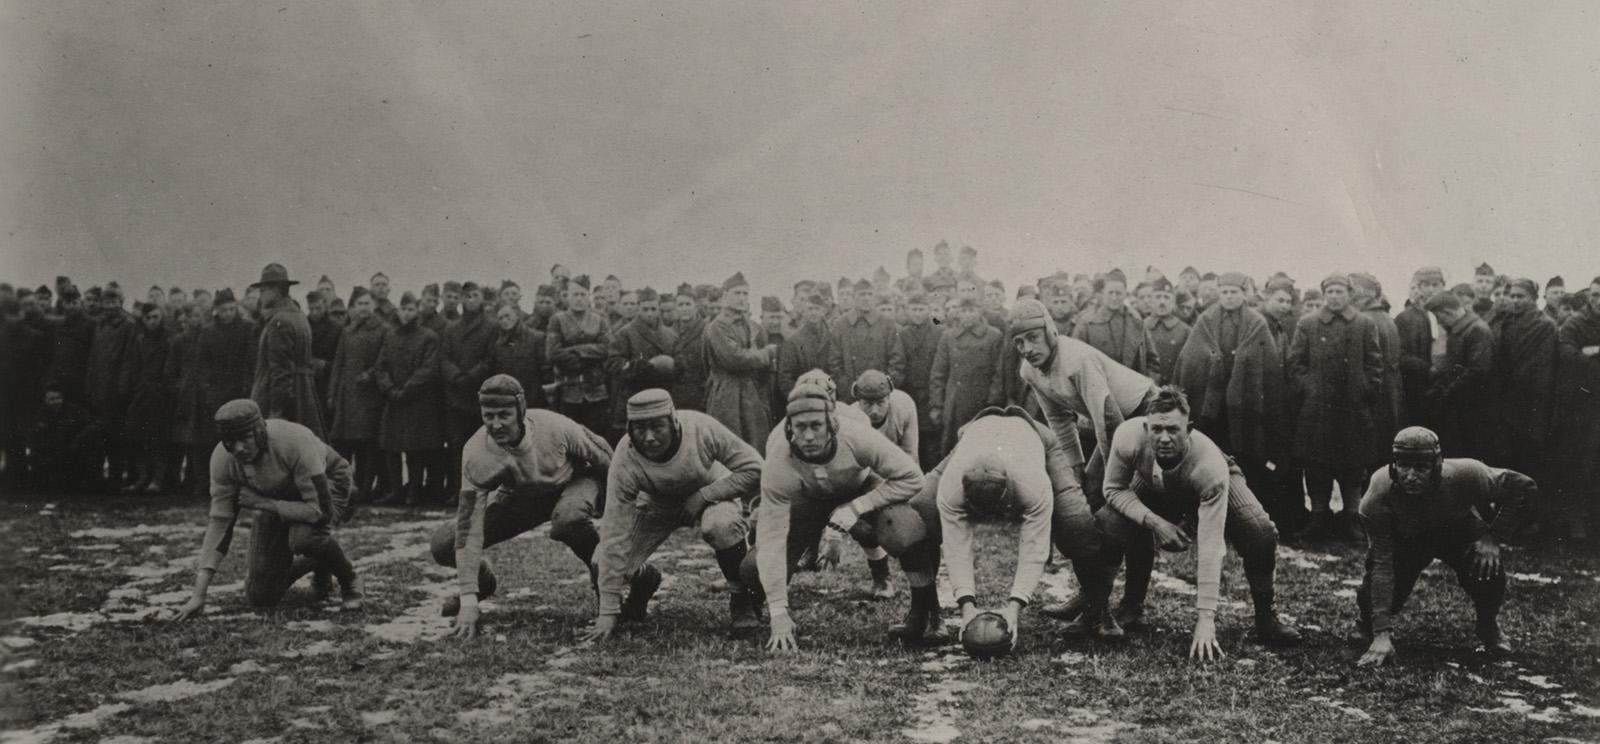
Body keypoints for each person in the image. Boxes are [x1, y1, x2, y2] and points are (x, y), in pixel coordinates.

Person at [1097, 387, 1301, 659]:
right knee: (1109, 520)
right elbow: (1113, 490)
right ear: (1146, 427)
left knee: (1259, 531)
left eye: (1173, 429)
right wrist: (1155, 523)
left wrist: (1206, 618)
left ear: (1189, 428)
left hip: (1207, 480)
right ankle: (1124, 605)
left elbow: (1210, 544)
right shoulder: (1128, 437)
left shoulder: (1209, 466)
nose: (1165, 438)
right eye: (1157, 429)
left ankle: (1266, 616)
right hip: (1154, 483)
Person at [746, 377, 939, 651]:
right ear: (789, 428)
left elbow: (912, 478)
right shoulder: (779, 454)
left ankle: (926, 611)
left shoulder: (856, 434)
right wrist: (778, 611)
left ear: (832, 423)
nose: (809, 436)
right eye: (801, 427)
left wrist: (858, 507)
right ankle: (751, 606)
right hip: (808, 498)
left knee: (903, 527)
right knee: (753, 568)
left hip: (858, 487)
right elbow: (772, 534)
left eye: (816, 426)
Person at [432, 375, 620, 637]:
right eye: (488, 416)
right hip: (521, 497)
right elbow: (468, 527)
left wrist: (616, 520)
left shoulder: (555, 427)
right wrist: (468, 599)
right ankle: (482, 583)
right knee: (444, 543)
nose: (496, 424)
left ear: (520, 411)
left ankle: (608, 585)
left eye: (504, 415)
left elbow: (606, 460)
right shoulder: (476, 451)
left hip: (572, 483)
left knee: (568, 520)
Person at [917, 406, 1122, 641]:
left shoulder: (1031, 482)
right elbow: (957, 548)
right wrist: (967, 606)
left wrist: (1014, 607)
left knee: (1076, 525)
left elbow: (1035, 547)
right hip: (975, 433)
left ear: (1008, 490)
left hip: (1035, 436)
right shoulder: (951, 487)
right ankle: (925, 612)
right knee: (922, 510)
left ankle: (1099, 610)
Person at [585, 390, 763, 641]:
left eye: (658, 427)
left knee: (721, 526)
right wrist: (608, 610)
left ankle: (742, 597)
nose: (648, 437)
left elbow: (755, 468)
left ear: (674, 423)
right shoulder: (625, 456)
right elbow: (615, 527)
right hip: (656, 503)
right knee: (600, 561)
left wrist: (705, 495)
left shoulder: (701, 428)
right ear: (629, 429)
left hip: (710, 493)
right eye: (639, 429)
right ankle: (645, 580)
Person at [1356, 427, 1534, 665]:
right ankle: (1367, 625)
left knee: (1488, 568)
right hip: (1408, 539)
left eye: (1421, 467)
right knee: (1375, 591)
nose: (1410, 475)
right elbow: (1382, 565)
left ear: (1437, 466)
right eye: (1403, 466)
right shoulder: (1378, 495)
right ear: (1393, 465)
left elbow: (1523, 486)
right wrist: (1380, 633)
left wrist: (1493, 537)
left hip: (1456, 529)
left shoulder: (1467, 474)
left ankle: (1488, 625)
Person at [173, 399, 361, 619]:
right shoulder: (223, 460)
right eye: (230, 442)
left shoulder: (294, 441)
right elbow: (220, 524)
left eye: (244, 439)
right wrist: (198, 595)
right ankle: (321, 559)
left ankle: (350, 579)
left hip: (326, 487)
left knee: (304, 539)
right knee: (260, 596)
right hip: (277, 496)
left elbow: (319, 511)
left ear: (260, 431)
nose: (238, 448)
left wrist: (263, 503)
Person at [1173, 271, 1289, 505]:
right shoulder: (1206, 320)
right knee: (1211, 454)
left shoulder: (1257, 323)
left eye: (1234, 292)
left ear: (1244, 294)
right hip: (1211, 407)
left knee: (1245, 456)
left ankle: (1244, 507)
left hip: (1244, 407)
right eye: (1224, 292)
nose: (1228, 297)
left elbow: (1269, 368)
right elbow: (1191, 358)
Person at [1287, 274, 1383, 541]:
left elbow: (1375, 364)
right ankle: (1319, 518)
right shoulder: (1308, 323)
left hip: (1353, 409)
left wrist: (1365, 389)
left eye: (1339, 291)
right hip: (1318, 410)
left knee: (1353, 468)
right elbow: (1295, 363)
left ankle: (1352, 519)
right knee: (1317, 467)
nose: (1334, 296)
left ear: (1349, 294)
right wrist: (1308, 388)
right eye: (1329, 291)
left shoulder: (1364, 324)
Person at [373, 292, 445, 505]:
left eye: (411, 309)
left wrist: (407, 390)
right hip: (394, 400)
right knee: (391, 447)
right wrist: (389, 389)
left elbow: (428, 370)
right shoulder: (390, 336)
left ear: (417, 311)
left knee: (415, 450)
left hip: (417, 402)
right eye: (403, 309)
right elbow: (380, 366)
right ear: (398, 310)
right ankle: (396, 491)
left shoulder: (429, 337)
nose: (406, 313)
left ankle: (413, 492)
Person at [1488, 278, 1557, 483]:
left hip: (1531, 402)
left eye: (1521, 297)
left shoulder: (1545, 326)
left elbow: (1541, 367)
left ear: (1534, 299)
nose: (1515, 301)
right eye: (1512, 296)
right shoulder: (1506, 321)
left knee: (1529, 454)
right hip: (1506, 399)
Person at [327, 287, 389, 503]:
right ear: (353, 307)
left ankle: (364, 489)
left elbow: (383, 360)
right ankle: (345, 488)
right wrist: (332, 393)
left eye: (367, 303)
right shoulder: (348, 331)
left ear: (373, 306)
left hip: (368, 397)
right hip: (347, 398)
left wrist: (369, 375)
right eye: (360, 304)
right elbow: (338, 363)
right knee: (344, 445)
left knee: (366, 446)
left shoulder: (382, 330)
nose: (364, 308)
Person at [249, 263, 326, 439]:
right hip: (303, 396)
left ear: (276, 290)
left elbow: (280, 372)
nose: (261, 294)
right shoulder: (298, 316)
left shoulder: (279, 321)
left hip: (286, 403)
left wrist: (277, 412)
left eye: (264, 289)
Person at [703, 272, 776, 451]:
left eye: (745, 294)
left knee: (756, 445)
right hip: (727, 395)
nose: (742, 298)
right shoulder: (717, 327)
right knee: (730, 446)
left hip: (752, 393)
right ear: (724, 296)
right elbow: (733, 358)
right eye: (737, 293)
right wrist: (765, 355)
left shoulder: (753, 326)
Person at [440, 282, 497, 502]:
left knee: (484, 446)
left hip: (479, 396)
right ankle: (459, 490)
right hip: (456, 397)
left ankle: (483, 491)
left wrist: (472, 377)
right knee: (458, 446)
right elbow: (444, 358)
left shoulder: (490, 328)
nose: (470, 300)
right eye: (467, 296)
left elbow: (490, 359)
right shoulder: (451, 328)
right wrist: (456, 376)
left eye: (475, 295)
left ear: (481, 299)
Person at [927, 296, 1003, 453]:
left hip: (982, 404)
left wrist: (992, 404)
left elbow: (999, 373)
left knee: (981, 450)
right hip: (955, 404)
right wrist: (937, 405)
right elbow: (938, 374)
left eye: (971, 310)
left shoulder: (994, 336)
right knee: (952, 450)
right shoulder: (948, 336)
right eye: (963, 311)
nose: (967, 315)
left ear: (980, 312)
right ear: (957, 313)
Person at [546, 276, 613, 437]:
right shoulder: (557, 320)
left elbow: (607, 349)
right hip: (568, 391)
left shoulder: (599, 320)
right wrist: (590, 356)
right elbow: (552, 353)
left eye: (583, 295)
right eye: (575, 294)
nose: (579, 299)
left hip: (596, 391)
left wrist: (576, 350)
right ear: (567, 296)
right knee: (569, 439)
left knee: (596, 438)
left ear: (588, 296)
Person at [606, 286, 679, 431]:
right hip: (634, 394)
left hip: (662, 394)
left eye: (653, 309)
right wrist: (634, 367)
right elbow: (612, 363)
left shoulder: (670, 335)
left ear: (659, 309)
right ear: (638, 309)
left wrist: (677, 366)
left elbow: (678, 361)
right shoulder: (625, 333)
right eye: (645, 309)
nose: (650, 313)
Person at [829, 279, 906, 403]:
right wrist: (848, 388)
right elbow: (834, 363)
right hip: (851, 395)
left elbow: (897, 360)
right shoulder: (841, 324)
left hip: (881, 396)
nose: (866, 298)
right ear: (854, 297)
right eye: (862, 294)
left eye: (870, 294)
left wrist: (885, 385)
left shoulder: (886, 323)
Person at [1073, 270, 1159, 379]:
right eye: (1110, 293)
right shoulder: (1087, 322)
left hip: (1131, 388)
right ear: (1104, 293)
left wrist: (1149, 386)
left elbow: (1151, 360)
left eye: (1118, 293)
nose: (1114, 297)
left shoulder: (1136, 320)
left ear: (1125, 293)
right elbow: (1075, 361)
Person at [1394, 267, 1447, 429]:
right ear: (1419, 288)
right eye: (1426, 285)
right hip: (1418, 387)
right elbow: (1400, 355)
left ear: (1443, 287)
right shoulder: (1406, 318)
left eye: (1435, 285)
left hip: (1445, 386)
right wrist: (1427, 369)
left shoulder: (1449, 314)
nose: (1431, 289)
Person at [897, 292, 943, 469]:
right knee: (910, 441)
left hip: (931, 394)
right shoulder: (902, 334)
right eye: (914, 309)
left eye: (921, 309)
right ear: (908, 310)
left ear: (929, 310)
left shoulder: (939, 332)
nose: (917, 313)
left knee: (931, 442)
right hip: (910, 394)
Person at [489, 300, 551, 408]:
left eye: (507, 316)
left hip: (533, 398)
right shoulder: (498, 344)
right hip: (509, 399)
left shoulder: (536, 338)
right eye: (500, 318)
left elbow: (546, 370)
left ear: (517, 315)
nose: (504, 320)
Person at [778, 293, 832, 403]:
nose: (813, 313)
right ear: (803, 311)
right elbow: (785, 377)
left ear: (823, 311)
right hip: (804, 401)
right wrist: (800, 398)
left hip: (830, 397)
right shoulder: (793, 342)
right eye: (810, 309)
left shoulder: (832, 338)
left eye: (817, 309)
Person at [851, 369, 918, 460]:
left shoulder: (904, 406)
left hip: (902, 464)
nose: (875, 410)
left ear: (889, 398)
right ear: (859, 402)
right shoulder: (850, 418)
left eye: (880, 403)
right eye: (868, 404)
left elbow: (910, 453)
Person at [670, 283, 710, 412]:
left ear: (696, 307)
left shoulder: (706, 330)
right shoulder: (669, 331)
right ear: (675, 308)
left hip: (699, 393)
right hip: (674, 393)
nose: (684, 308)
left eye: (688, 304)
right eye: (680, 305)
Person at [1144, 278, 1189, 386]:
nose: (1162, 302)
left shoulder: (1185, 331)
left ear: (1173, 302)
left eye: (1166, 297)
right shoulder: (1140, 327)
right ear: (1150, 301)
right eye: (1158, 297)